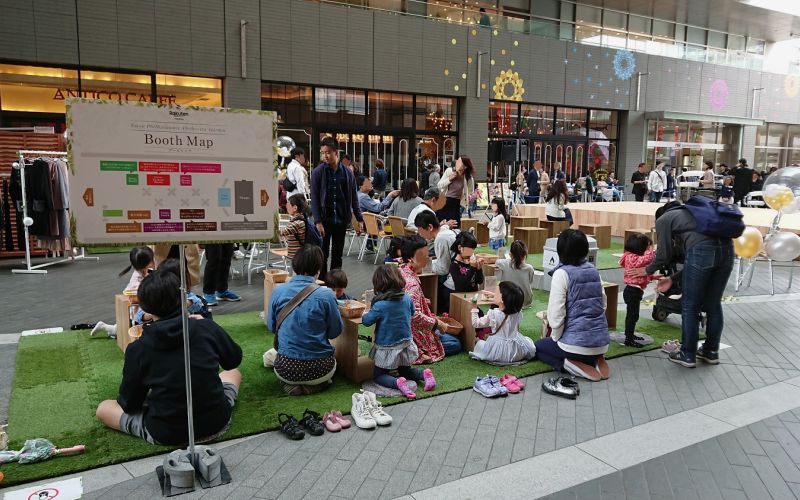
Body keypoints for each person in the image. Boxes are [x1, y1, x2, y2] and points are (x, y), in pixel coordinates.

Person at [95, 269, 242, 445]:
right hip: (217, 422)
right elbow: (233, 360)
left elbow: (129, 404)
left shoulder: (138, 348)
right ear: (183, 299)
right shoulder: (205, 327)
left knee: (103, 408)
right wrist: (207, 325)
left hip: (167, 432)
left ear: (146, 309)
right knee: (233, 373)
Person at [641, 202, 735, 368]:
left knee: (690, 306)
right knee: (714, 305)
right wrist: (672, 278)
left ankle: (687, 354)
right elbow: (698, 261)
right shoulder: (695, 213)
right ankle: (711, 352)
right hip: (728, 251)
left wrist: (646, 270)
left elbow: (664, 254)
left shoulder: (664, 219)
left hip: (702, 251)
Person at [534, 229, 609, 381]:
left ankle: (569, 364)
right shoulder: (594, 271)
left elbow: (556, 315)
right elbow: (603, 304)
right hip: (601, 342)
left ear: (561, 250)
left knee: (539, 347)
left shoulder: (561, 274)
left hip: (574, 345)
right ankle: (596, 358)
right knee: (581, 348)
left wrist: (556, 339)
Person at [268, 245, 342, 395]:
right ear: (318, 269)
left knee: (269, 355)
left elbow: (271, 327)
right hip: (321, 369)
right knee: (334, 363)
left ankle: (291, 385)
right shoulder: (327, 295)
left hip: (286, 369)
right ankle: (315, 385)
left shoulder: (278, 291)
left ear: (294, 265)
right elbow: (335, 332)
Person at [363, 265, 437, 398]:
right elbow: (413, 313)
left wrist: (367, 310)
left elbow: (366, 321)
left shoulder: (380, 305)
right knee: (405, 370)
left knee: (379, 375)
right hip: (406, 343)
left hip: (387, 346)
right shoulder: (407, 298)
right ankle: (424, 374)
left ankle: (397, 382)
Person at [398, 235, 461, 361]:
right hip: (412, 332)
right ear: (410, 258)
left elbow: (405, 301)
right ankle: (417, 352)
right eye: (423, 256)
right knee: (455, 343)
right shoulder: (412, 284)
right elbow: (414, 315)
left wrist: (422, 301)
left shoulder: (401, 270)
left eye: (427, 254)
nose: (427, 258)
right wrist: (437, 323)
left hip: (401, 328)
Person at [310, 137, 364, 278]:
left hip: (341, 219)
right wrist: (318, 221)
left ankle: (334, 285)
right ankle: (321, 285)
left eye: (328, 152)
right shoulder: (318, 172)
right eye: (323, 153)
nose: (325, 156)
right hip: (324, 220)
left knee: (337, 255)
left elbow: (354, 198)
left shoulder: (348, 173)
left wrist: (359, 218)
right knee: (323, 254)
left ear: (336, 152)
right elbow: (314, 199)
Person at [91, 246, 155, 338]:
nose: (153, 261)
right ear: (146, 263)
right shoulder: (137, 280)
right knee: (122, 331)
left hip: (138, 312)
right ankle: (105, 327)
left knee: (120, 330)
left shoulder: (143, 272)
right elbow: (134, 299)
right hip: (138, 313)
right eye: (151, 259)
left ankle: (105, 327)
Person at [469, 281, 536, 365]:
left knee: (479, 344)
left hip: (497, 352)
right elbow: (508, 300)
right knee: (527, 340)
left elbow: (476, 323)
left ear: (502, 299)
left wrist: (474, 308)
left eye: (496, 292)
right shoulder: (517, 311)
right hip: (516, 352)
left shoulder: (494, 314)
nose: (494, 293)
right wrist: (495, 296)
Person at [619, 233, 656, 348]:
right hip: (633, 292)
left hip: (633, 291)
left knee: (633, 316)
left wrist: (653, 277)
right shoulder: (633, 258)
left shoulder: (629, 256)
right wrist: (652, 249)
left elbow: (640, 274)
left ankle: (629, 334)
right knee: (632, 316)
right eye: (646, 246)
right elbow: (649, 258)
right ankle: (628, 339)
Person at [440, 231, 485, 314]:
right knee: (478, 315)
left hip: (469, 297)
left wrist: (479, 268)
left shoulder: (470, 261)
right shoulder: (454, 265)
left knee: (480, 314)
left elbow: (479, 281)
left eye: (473, 250)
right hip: (455, 298)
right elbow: (460, 287)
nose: (471, 253)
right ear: (460, 248)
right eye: (469, 249)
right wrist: (472, 268)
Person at [415, 211, 456, 281]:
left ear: (430, 227)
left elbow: (443, 270)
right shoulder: (444, 232)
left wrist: (424, 267)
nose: (421, 235)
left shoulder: (441, 238)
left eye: (421, 231)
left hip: (454, 280)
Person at [495, 240, 536, 309]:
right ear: (525, 254)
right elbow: (530, 282)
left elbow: (496, 261)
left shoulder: (502, 263)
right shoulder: (529, 268)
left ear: (510, 254)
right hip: (526, 300)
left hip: (509, 300)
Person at [437, 155, 475, 225]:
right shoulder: (449, 171)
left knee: (455, 225)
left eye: (460, 162)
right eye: (458, 161)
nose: (457, 163)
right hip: (444, 200)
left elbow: (470, 192)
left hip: (456, 203)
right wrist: (449, 179)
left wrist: (471, 197)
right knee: (442, 224)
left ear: (465, 166)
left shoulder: (468, 177)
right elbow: (439, 185)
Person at [280, 194, 309, 260]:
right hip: (298, 254)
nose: (286, 206)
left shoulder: (297, 223)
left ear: (295, 208)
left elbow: (283, 232)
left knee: (298, 270)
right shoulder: (301, 219)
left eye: (288, 204)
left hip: (297, 255)